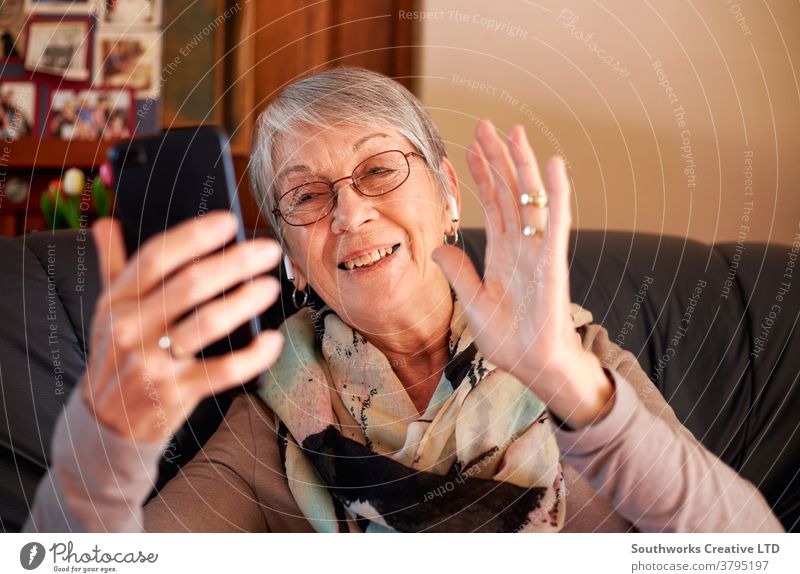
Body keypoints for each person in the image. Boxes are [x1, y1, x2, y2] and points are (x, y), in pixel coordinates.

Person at [24, 67, 782, 533]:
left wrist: (562, 378)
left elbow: (749, 553)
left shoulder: (580, 362)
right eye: (307, 196)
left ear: (448, 194)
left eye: (380, 170)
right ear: (291, 255)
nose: (350, 214)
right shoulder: (275, 417)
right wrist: (107, 443)